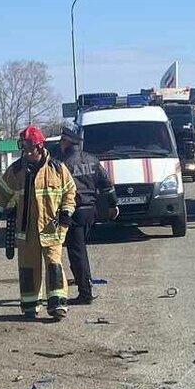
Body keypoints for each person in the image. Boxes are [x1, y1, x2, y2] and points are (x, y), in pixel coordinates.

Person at [0, 126, 77, 320]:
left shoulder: (57, 169)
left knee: (54, 266)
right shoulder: (17, 170)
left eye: (29, 145)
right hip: (25, 231)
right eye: (23, 145)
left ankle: (58, 305)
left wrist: (67, 213)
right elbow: (2, 193)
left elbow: (70, 192)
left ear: (39, 145)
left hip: (52, 229)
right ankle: (30, 305)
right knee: (28, 268)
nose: (26, 150)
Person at [55, 121, 119, 305]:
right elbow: (107, 187)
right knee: (81, 251)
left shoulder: (61, 164)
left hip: (72, 213)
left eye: (62, 140)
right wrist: (112, 206)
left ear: (67, 142)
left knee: (77, 254)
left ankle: (85, 293)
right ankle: (86, 285)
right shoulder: (92, 160)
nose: (60, 143)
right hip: (90, 212)